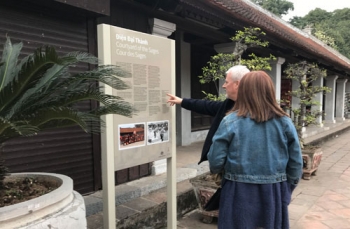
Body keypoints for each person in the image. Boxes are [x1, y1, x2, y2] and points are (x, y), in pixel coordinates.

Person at [208, 71, 302, 229]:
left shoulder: (230, 121)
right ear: (270, 91)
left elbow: (215, 160)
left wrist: (220, 173)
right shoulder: (284, 122)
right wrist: (287, 187)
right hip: (273, 191)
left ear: (243, 91)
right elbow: (296, 162)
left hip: (236, 190)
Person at [167, 65, 250, 164]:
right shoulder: (229, 104)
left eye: (227, 82)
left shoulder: (252, 111)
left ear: (237, 84)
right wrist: (182, 101)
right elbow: (207, 106)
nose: (223, 86)